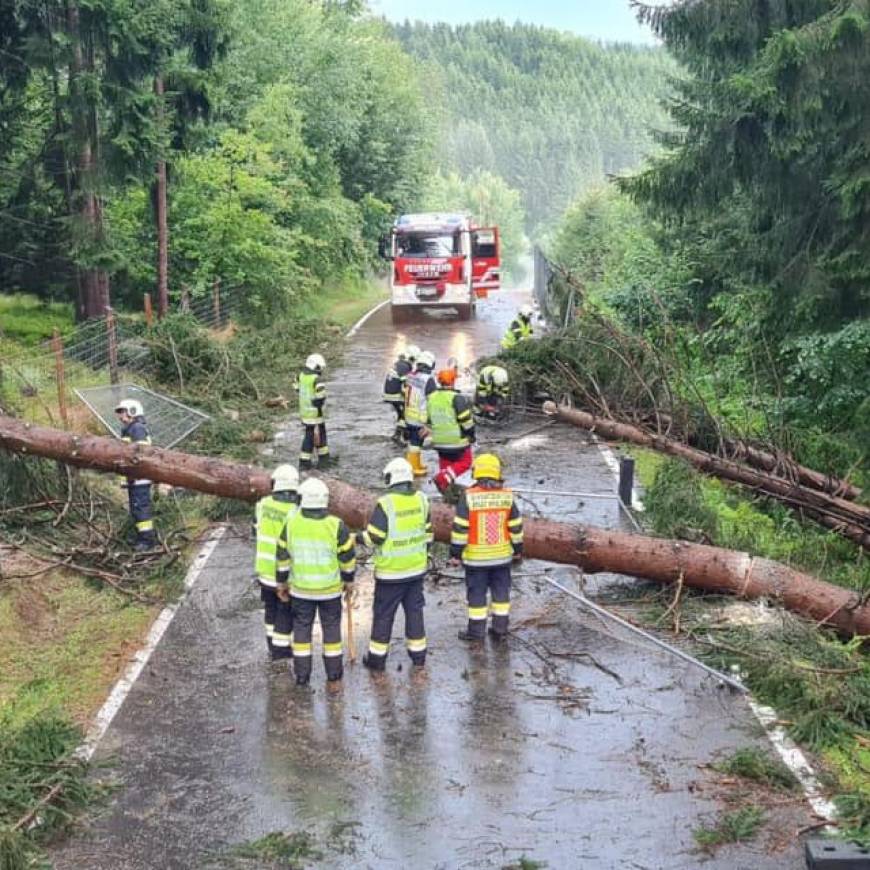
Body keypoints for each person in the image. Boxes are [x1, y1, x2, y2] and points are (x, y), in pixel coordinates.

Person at [276, 478, 356, 686]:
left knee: (302, 631)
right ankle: (334, 673)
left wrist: (281, 583)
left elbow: (282, 558)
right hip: (329, 591)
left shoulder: (291, 524)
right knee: (331, 631)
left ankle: (302, 675)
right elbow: (347, 558)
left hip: (301, 591)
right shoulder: (336, 525)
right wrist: (349, 581)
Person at [357, 458, 432, 673]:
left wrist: (357, 538)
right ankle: (419, 657)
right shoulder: (422, 500)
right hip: (415, 571)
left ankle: (377, 660)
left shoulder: (387, 503)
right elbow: (428, 534)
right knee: (415, 613)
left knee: (383, 615)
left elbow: (376, 537)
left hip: (391, 573)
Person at [449, 454, 523, 643]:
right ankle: (500, 630)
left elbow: (460, 528)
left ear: (477, 472)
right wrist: (518, 549)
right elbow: (515, 525)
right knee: (501, 596)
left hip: (476, 560)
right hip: (502, 558)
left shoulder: (469, 497)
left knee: (476, 597)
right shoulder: (507, 496)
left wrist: (455, 554)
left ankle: (476, 633)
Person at [253, 465, 299, 661]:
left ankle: (272, 644)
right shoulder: (294, 511)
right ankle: (281, 650)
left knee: (270, 608)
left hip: (264, 571)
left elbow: (255, 530)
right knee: (285, 611)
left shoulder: (262, 504)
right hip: (284, 573)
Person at [114, 398, 157, 551]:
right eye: (119, 412)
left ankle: (147, 541)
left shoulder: (137, 429)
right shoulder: (129, 429)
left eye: (122, 412)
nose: (120, 416)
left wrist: (132, 475)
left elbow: (140, 455)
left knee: (141, 508)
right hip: (134, 479)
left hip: (140, 478)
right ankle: (141, 537)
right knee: (136, 508)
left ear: (132, 411)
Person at [428, 368, 475, 494]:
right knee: (466, 462)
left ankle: (447, 492)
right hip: (457, 441)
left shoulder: (432, 397)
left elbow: (428, 419)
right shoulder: (457, 398)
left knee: (446, 466)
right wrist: (471, 435)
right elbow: (466, 421)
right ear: (453, 381)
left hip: (438, 441)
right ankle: (441, 479)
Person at [404, 349, 437, 477]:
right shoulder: (428, 380)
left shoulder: (410, 376)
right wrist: (430, 422)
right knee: (416, 442)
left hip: (409, 415)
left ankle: (415, 464)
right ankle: (413, 467)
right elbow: (433, 401)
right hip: (420, 418)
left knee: (415, 441)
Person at [297, 353, 329, 469]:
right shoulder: (316, 379)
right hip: (315, 413)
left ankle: (310, 459)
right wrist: (319, 403)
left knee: (309, 435)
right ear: (316, 366)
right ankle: (320, 460)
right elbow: (321, 395)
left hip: (304, 412)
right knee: (319, 436)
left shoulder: (301, 376)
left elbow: (296, 387)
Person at [383, 344, 419, 444]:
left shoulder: (399, 363)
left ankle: (399, 434)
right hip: (395, 395)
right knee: (405, 414)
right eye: (413, 359)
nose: (413, 362)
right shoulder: (405, 366)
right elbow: (406, 384)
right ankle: (400, 435)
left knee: (401, 413)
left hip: (389, 393)